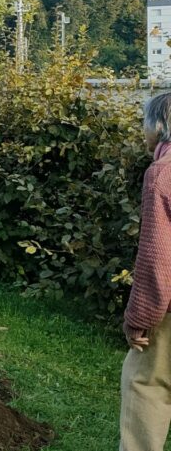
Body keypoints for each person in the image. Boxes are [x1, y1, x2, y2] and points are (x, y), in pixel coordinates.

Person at [120, 92, 171, 451]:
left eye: (145, 123)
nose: (143, 131)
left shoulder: (162, 174)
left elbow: (157, 258)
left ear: (160, 125)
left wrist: (140, 318)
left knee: (146, 385)